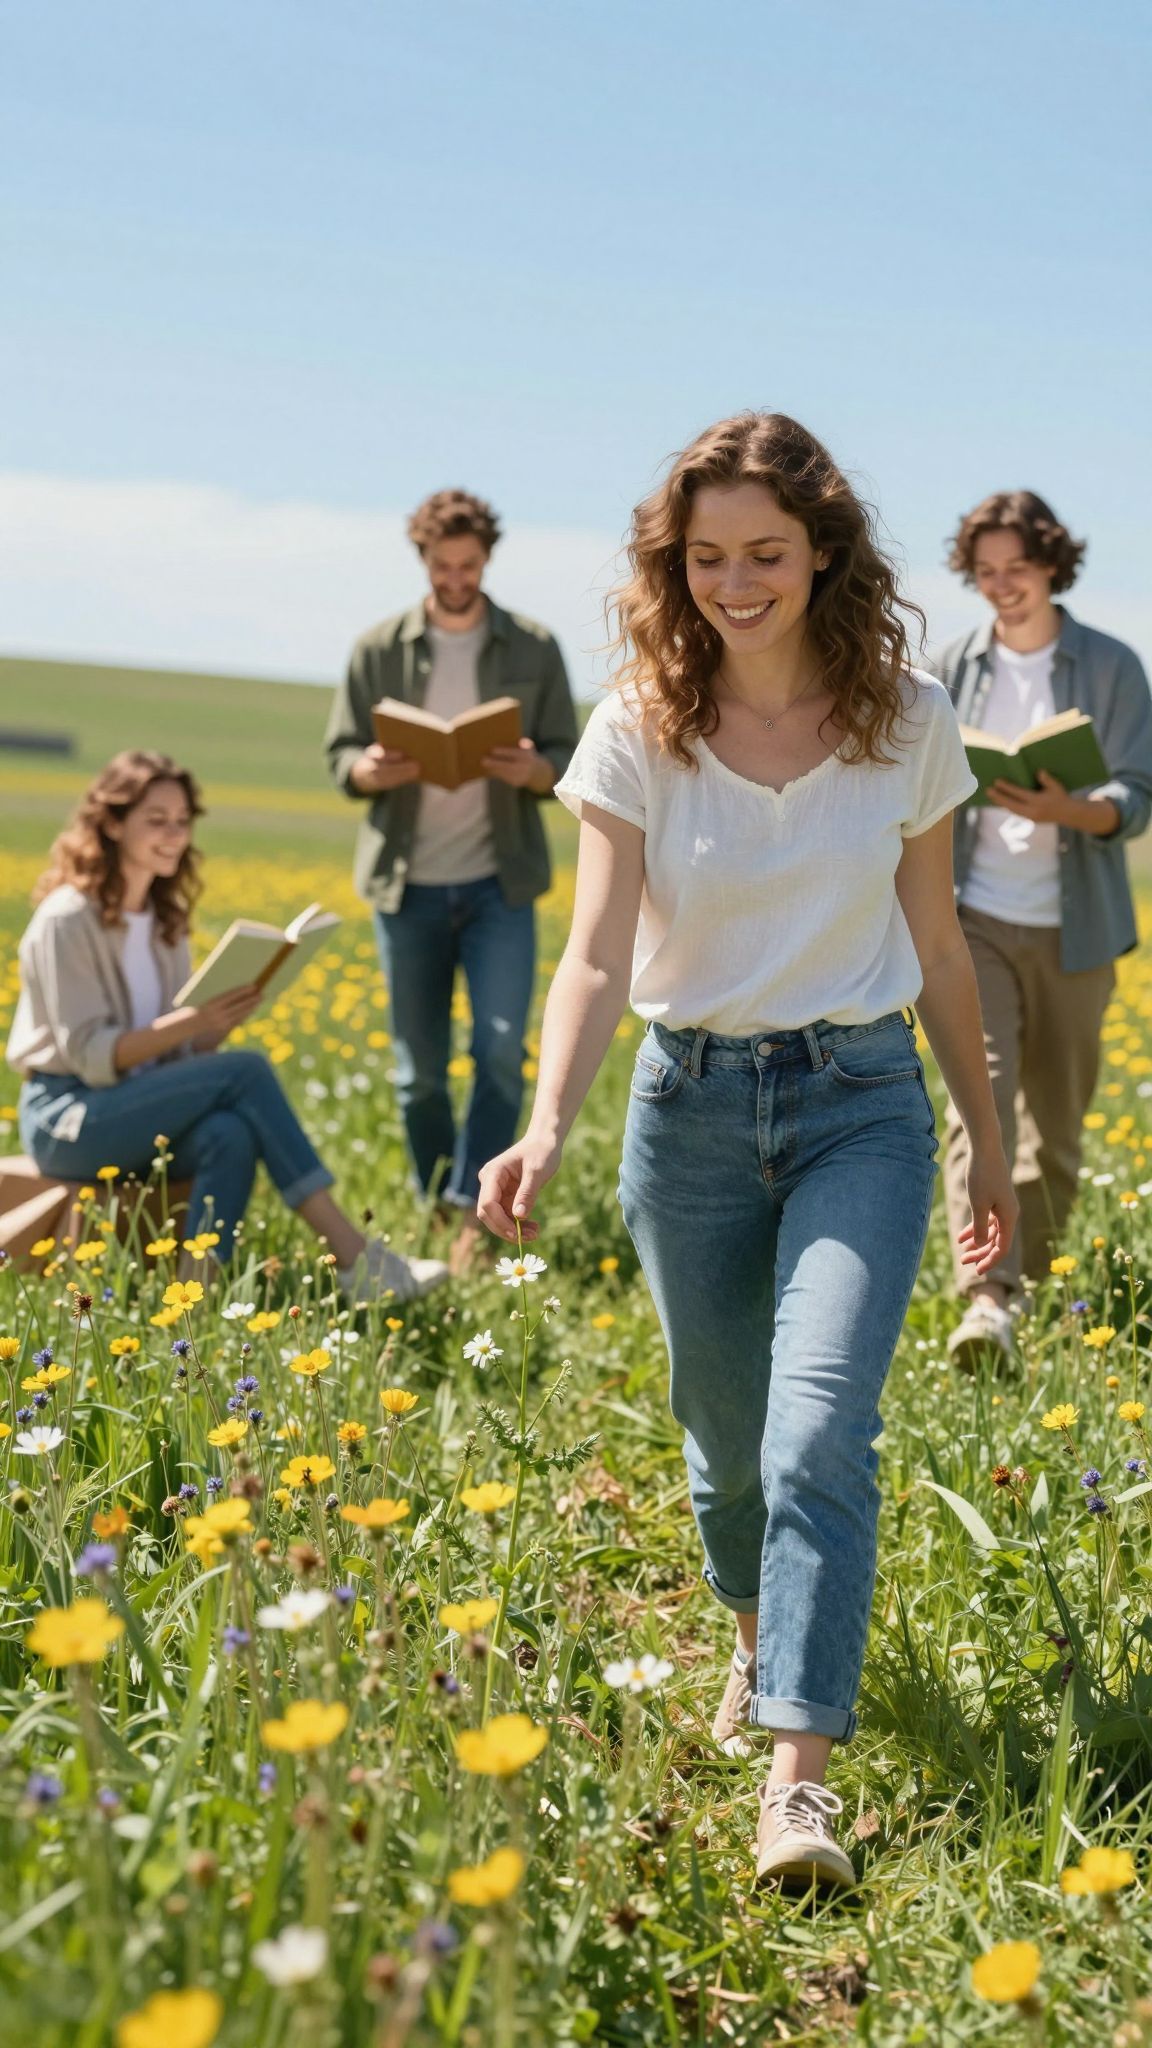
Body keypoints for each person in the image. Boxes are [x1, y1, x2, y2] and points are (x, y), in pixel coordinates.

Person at [476, 412, 1016, 1893]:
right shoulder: (638, 724)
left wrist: (985, 1140)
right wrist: (544, 1127)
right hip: (690, 1114)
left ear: (826, 551)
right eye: (707, 556)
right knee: (725, 1457)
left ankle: (798, 1786)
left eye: (766, 553)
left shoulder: (907, 723)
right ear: (675, 565)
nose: (737, 582)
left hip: (861, 1105)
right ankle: (755, 1632)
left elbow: (943, 950)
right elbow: (591, 957)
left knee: (817, 1432)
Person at [7, 750, 448, 1302]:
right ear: (113, 823)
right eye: (156, 820)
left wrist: (215, 1022)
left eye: (182, 822)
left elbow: (173, 1056)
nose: (173, 835)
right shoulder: (67, 919)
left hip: (133, 1106)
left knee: (228, 1133)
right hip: (68, 1118)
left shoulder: (165, 922)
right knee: (245, 1071)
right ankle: (352, 1253)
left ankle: (196, 1300)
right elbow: (93, 1056)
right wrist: (189, 1024)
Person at [325, 488, 578, 1273]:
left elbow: (570, 760)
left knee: (502, 1053)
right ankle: (437, 1201)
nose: (456, 579)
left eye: (469, 566)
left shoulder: (534, 647)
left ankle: (480, 1211)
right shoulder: (378, 649)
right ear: (423, 559)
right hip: (410, 888)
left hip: (499, 884)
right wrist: (367, 768)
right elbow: (341, 756)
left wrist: (536, 768)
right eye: (443, 566)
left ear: (487, 560)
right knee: (417, 1072)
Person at [933, 492, 1152, 1373]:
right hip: (970, 918)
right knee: (974, 1106)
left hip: (1075, 927)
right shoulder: (953, 663)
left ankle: (1043, 1275)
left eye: (1015, 571)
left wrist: (1075, 809)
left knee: (1054, 1131)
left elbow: (1138, 795)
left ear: (1053, 566)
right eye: (984, 574)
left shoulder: (1112, 665)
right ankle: (988, 1301)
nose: (999, 589)